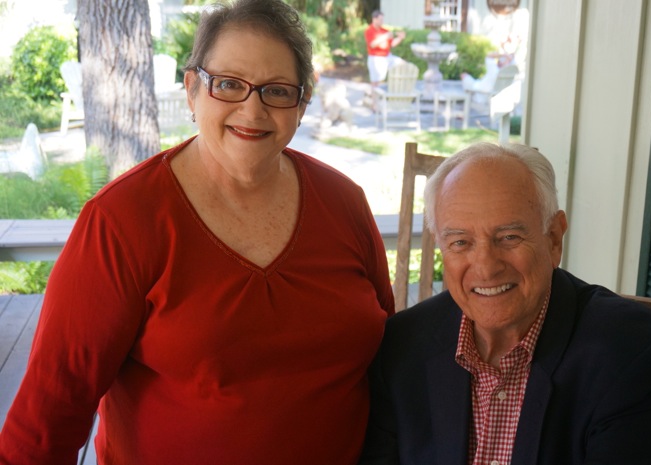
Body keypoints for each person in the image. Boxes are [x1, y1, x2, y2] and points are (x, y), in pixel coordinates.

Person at [0, 1, 394, 464]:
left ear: (301, 106)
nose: (253, 108)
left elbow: (389, 357)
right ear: (192, 91)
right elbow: (45, 422)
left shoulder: (345, 202)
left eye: (278, 91)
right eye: (228, 84)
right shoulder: (122, 222)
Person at [360, 143, 651, 464]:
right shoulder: (401, 347)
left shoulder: (630, 354)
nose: (486, 266)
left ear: (554, 239)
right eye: (461, 242)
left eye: (509, 237)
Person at [364, 10, 405, 109]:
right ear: (374, 19)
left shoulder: (385, 30)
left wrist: (400, 38)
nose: (382, 21)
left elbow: (392, 44)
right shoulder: (369, 30)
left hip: (387, 57)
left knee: (403, 65)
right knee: (376, 82)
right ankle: (375, 105)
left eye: (383, 19)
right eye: (380, 19)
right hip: (376, 58)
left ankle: (397, 95)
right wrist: (385, 36)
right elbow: (372, 44)